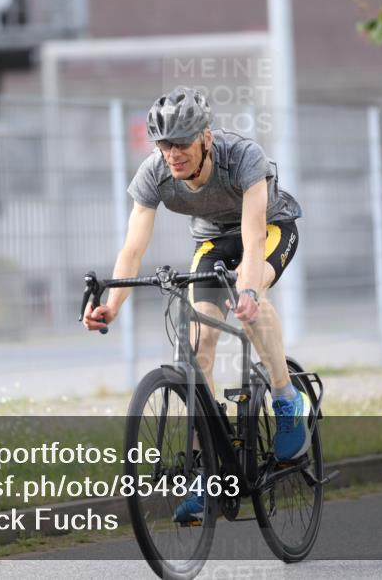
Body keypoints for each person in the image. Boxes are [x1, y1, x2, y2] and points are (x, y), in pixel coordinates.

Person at [82, 86, 309, 522]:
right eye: (164, 144)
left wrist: (245, 289)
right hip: (212, 241)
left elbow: (253, 235)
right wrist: (112, 306)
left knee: (252, 295)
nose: (172, 154)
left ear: (205, 137)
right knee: (198, 340)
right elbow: (132, 248)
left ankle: (285, 398)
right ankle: (210, 473)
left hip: (269, 228)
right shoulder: (154, 173)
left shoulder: (242, 157)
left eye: (181, 143)